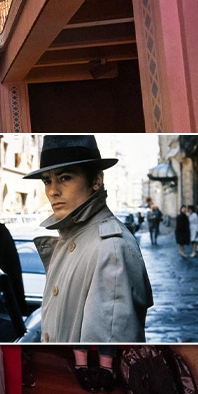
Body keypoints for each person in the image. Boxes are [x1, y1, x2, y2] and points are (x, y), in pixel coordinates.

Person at [25, 135, 153, 343]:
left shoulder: (110, 248)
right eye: (47, 180)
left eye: (64, 177)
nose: (52, 191)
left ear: (96, 180)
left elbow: (106, 351)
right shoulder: (76, 236)